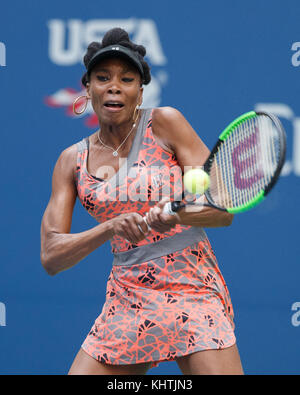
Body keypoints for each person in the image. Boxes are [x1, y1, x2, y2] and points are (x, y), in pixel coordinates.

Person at [40, 27, 244, 375]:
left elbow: (223, 210)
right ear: (87, 88)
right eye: (102, 77)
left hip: (192, 287)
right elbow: (51, 256)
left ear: (140, 91)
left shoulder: (166, 123)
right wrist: (109, 227)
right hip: (128, 296)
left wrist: (179, 214)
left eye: (127, 78)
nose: (114, 86)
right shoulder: (70, 161)